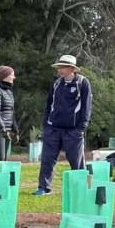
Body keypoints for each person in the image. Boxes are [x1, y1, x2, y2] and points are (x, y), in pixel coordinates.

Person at [35, 54, 93, 195]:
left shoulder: (82, 83)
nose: (59, 70)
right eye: (59, 67)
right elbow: (49, 104)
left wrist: (81, 127)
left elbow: (87, 107)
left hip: (73, 130)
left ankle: (82, 189)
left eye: (63, 67)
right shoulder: (56, 83)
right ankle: (43, 187)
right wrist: (46, 125)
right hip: (53, 128)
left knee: (76, 161)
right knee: (47, 159)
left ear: (72, 69)